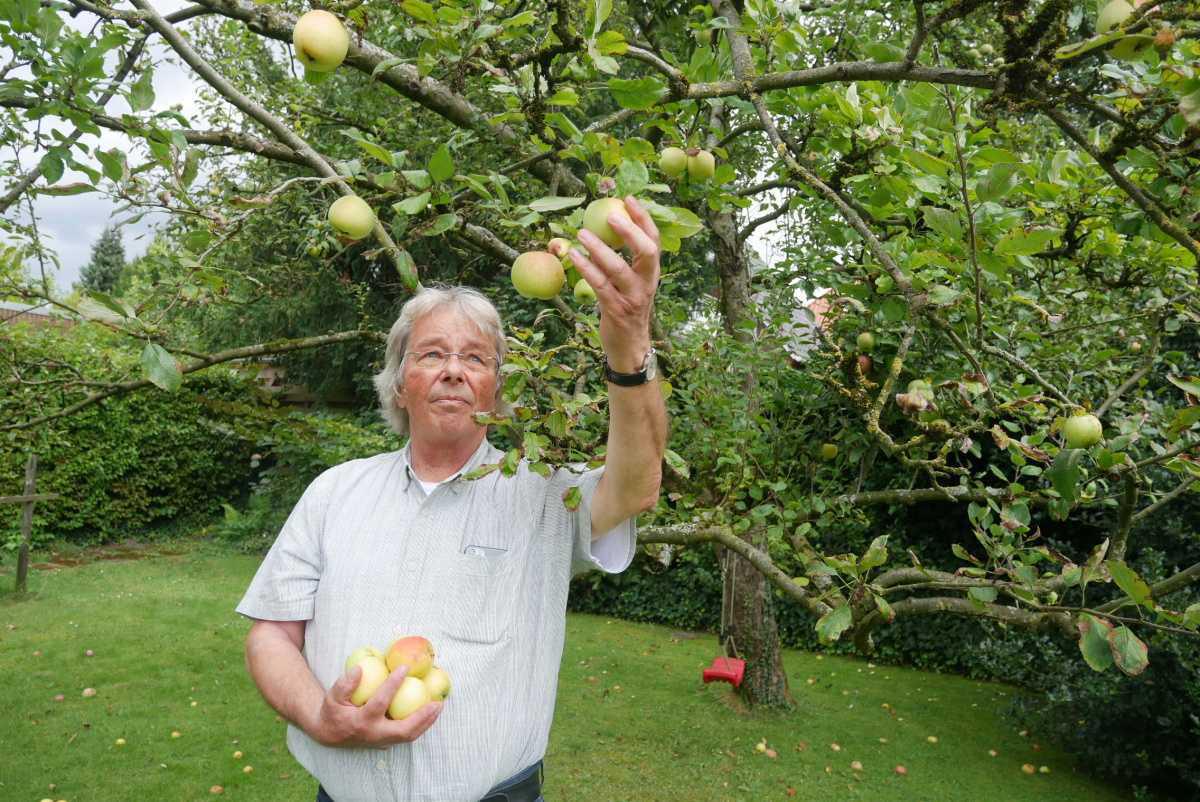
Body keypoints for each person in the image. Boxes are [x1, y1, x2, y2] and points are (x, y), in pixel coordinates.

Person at [236, 196, 668, 802]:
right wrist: (318, 716)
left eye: (475, 358)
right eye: (433, 354)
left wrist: (629, 344)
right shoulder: (334, 492)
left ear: (496, 387)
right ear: (399, 383)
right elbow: (271, 634)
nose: (454, 371)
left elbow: (637, 484)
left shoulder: (545, 494)